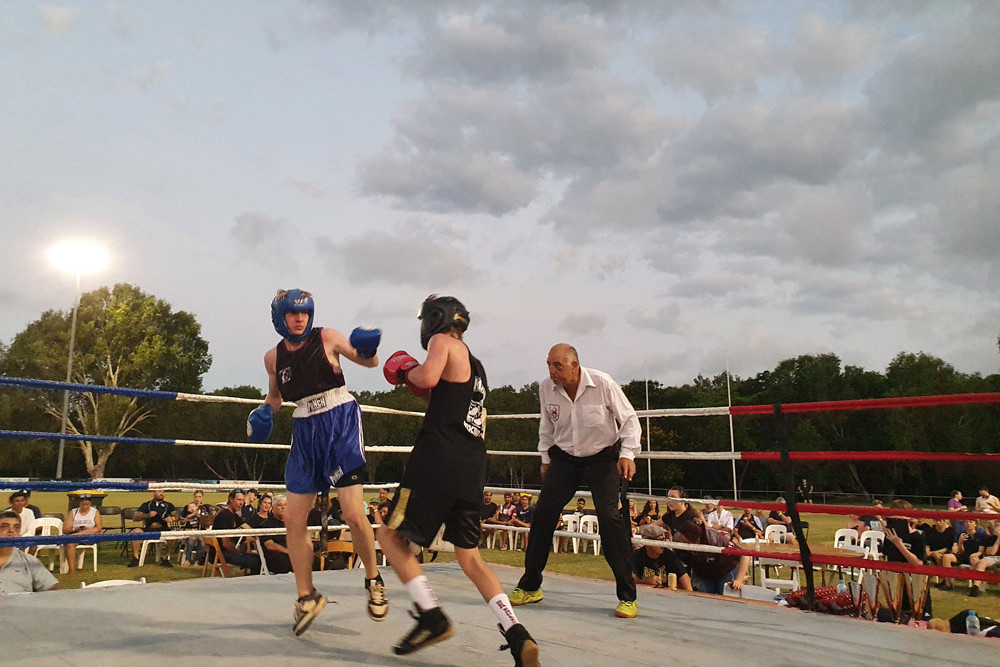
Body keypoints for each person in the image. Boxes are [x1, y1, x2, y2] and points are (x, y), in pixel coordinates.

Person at [378, 295, 538, 663]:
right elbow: (442, 400)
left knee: (388, 535)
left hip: (437, 460)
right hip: (471, 467)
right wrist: (418, 385)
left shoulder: (441, 342)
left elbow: (428, 376)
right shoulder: (476, 366)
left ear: (434, 320)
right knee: (470, 557)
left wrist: (406, 372)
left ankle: (431, 615)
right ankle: (516, 632)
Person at [247, 288, 387, 635]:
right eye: (294, 314)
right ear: (280, 317)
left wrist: (368, 350)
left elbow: (368, 362)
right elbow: (276, 396)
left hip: (339, 419)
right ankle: (306, 596)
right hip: (304, 428)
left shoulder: (327, 337)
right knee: (294, 519)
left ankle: (373, 579)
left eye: (305, 313)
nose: (300, 319)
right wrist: (265, 412)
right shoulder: (273, 357)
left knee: (354, 513)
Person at [511, 343, 640, 620]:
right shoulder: (546, 387)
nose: (552, 371)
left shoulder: (603, 383)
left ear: (574, 365)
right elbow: (546, 425)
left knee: (609, 518)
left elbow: (629, 420)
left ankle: (627, 596)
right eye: (548, 364)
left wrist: (628, 453)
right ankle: (530, 586)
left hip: (602, 457)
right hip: (564, 459)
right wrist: (545, 458)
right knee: (543, 515)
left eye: (557, 365)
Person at [882, 500, 932, 621]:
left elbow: (918, 563)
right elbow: (887, 558)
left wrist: (899, 544)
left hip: (914, 583)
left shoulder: (917, 537)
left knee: (916, 617)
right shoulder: (889, 536)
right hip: (897, 582)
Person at [673, 520, 751, 595]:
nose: (681, 542)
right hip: (702, 573)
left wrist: (739, 580)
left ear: (697, 541)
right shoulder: (678, 540)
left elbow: (744, 555)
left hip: (725, 570)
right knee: (703, 601)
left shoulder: (714, 541)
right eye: (680, 540)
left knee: (727, 602)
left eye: (685, 542)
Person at [0, 511, 60, 594]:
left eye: (16, 527)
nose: (11, 531)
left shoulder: (30, 561)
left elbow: (53, 588)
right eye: (4, 527)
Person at [211, 489, 261, 575]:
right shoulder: (225, 516)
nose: (241, 503)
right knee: (256, 561)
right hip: (220, 554)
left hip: (223, 552)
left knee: (258, 558)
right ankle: (254, 584)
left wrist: (258, 536)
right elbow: (225, 544)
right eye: (239, 500)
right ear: (231, 499)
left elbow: (246, 527)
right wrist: (238, 553)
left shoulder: (233, 515)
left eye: (243, 500)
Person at [632, 522, 691, 591]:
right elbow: (629, 576)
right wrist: (645, 580)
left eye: (663, 540)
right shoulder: (638, 555)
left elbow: (684, 577)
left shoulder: (669, 555)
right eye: (659, 540)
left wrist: (689, 594)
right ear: (648, 542)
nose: (662, 544)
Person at [128, 489, 176, 567]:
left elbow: (177, 515)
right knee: (134, 532)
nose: (162, 494)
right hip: (148, 529)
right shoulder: (147, 505)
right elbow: (135, 517)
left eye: (163, 492)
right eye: (159, 491)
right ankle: (135, 558)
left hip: (163, 529)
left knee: (175, 535)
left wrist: (172, 519)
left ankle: (166, 558)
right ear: (154, 493)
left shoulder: (168, 505)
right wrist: (147, 516)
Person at [62, 494, 102, 575]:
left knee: (73, 538)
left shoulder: (95, 512)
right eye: (83, 504)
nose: (84, 507)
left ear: (90, 504)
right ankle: (71, 569)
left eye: (87, 505)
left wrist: (85, 531)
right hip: (74, 535)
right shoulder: (73, 512)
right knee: (70, 544)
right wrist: (75, 529)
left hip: (89, 536)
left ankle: (79, 535)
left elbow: (98, 528)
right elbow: (65, 529)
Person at [261, 495, 293, 574]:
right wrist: (288, 552)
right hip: (277, 555)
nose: (283, 507)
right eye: (279, 505)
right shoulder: (266, 524)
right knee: (281, 561)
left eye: (285, 505)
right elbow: (270, 545)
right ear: (273, 508)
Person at [969, 519, 1000, 597]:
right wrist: (998, 539)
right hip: (995, 558)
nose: (997, 528)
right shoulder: (991, 538)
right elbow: (991, 553)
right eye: (996, 526)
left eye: (999, 526)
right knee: (982, 561)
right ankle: (976, 587)